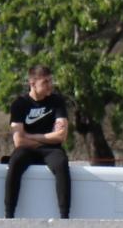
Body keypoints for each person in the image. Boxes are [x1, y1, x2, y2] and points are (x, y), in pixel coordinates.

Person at [5, 64, 72, 219]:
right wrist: (48, 138)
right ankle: (9, 215)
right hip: (27, 150)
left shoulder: (57, 101)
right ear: (32, 83)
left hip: (51, 150)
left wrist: (32, 136)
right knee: (15, 162)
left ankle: (64, 216)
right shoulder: (19, 104)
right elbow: (19, 141)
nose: (50, 86)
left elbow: (61, 136)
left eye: (51, 81)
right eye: (45, 82)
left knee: (61, 163)